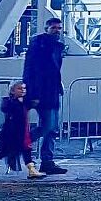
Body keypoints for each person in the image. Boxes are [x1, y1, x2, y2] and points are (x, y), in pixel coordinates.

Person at [23, 18, 67, 175]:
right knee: (49, 126)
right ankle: (22, 143)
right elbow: (31, 70)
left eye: (59, 28)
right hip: (43, 93)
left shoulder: (55, 46)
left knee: (51, 128)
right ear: (46, 28)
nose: (57, 30)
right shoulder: (39, 46)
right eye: (54, 28)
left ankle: (47, 161)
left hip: (52, 92)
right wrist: (34, 93)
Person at [0, 80, 42, 180]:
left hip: (22, 132)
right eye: (19, 88)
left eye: (24, 88)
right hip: (11, 134)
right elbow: (7, 108)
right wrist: (20, 102)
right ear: (12, 91)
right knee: (4, 152)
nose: (23, 90)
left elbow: (35, 102)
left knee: (26, 150)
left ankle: (32, 170)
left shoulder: (25, 102)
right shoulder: (9, 102)